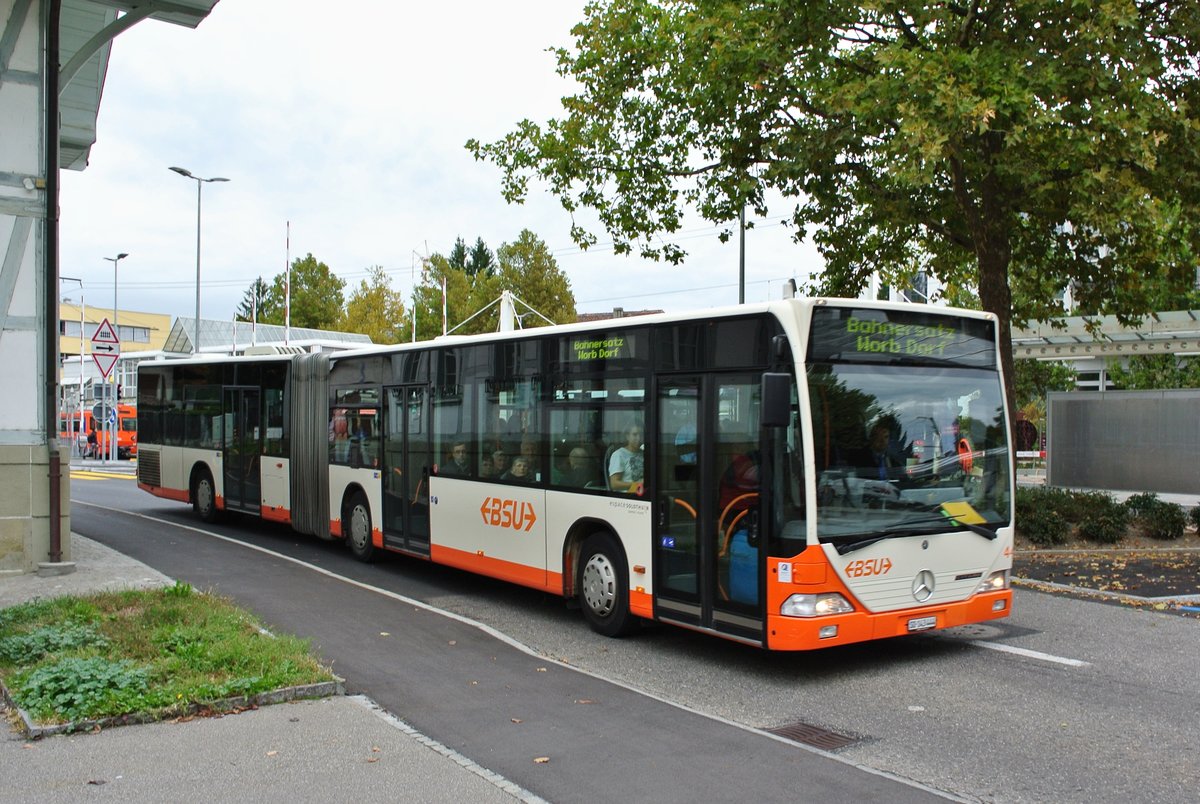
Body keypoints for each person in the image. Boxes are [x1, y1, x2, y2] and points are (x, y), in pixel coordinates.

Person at [608, 421, 644, 494]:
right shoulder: (619, 455)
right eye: (635, 435)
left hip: (644, 492)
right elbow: (614, 484)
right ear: (627, 436)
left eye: (641, 435)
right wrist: (638, 485)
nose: (639, 438)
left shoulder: (644, 453)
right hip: (628, 497)